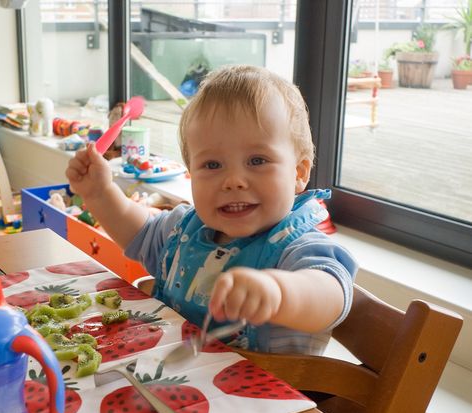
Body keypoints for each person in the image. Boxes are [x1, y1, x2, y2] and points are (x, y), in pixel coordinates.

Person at [66, 65, 358, 355]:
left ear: (298, 172)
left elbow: (331, 294)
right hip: (172, 381)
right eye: (212, 165)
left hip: (265, 399)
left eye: (257, 160)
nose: (233, 181)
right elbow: (138, 232)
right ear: (191, 171)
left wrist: (279, 291)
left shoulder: (299, 249)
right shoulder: (183, 232)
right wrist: (100, 193)